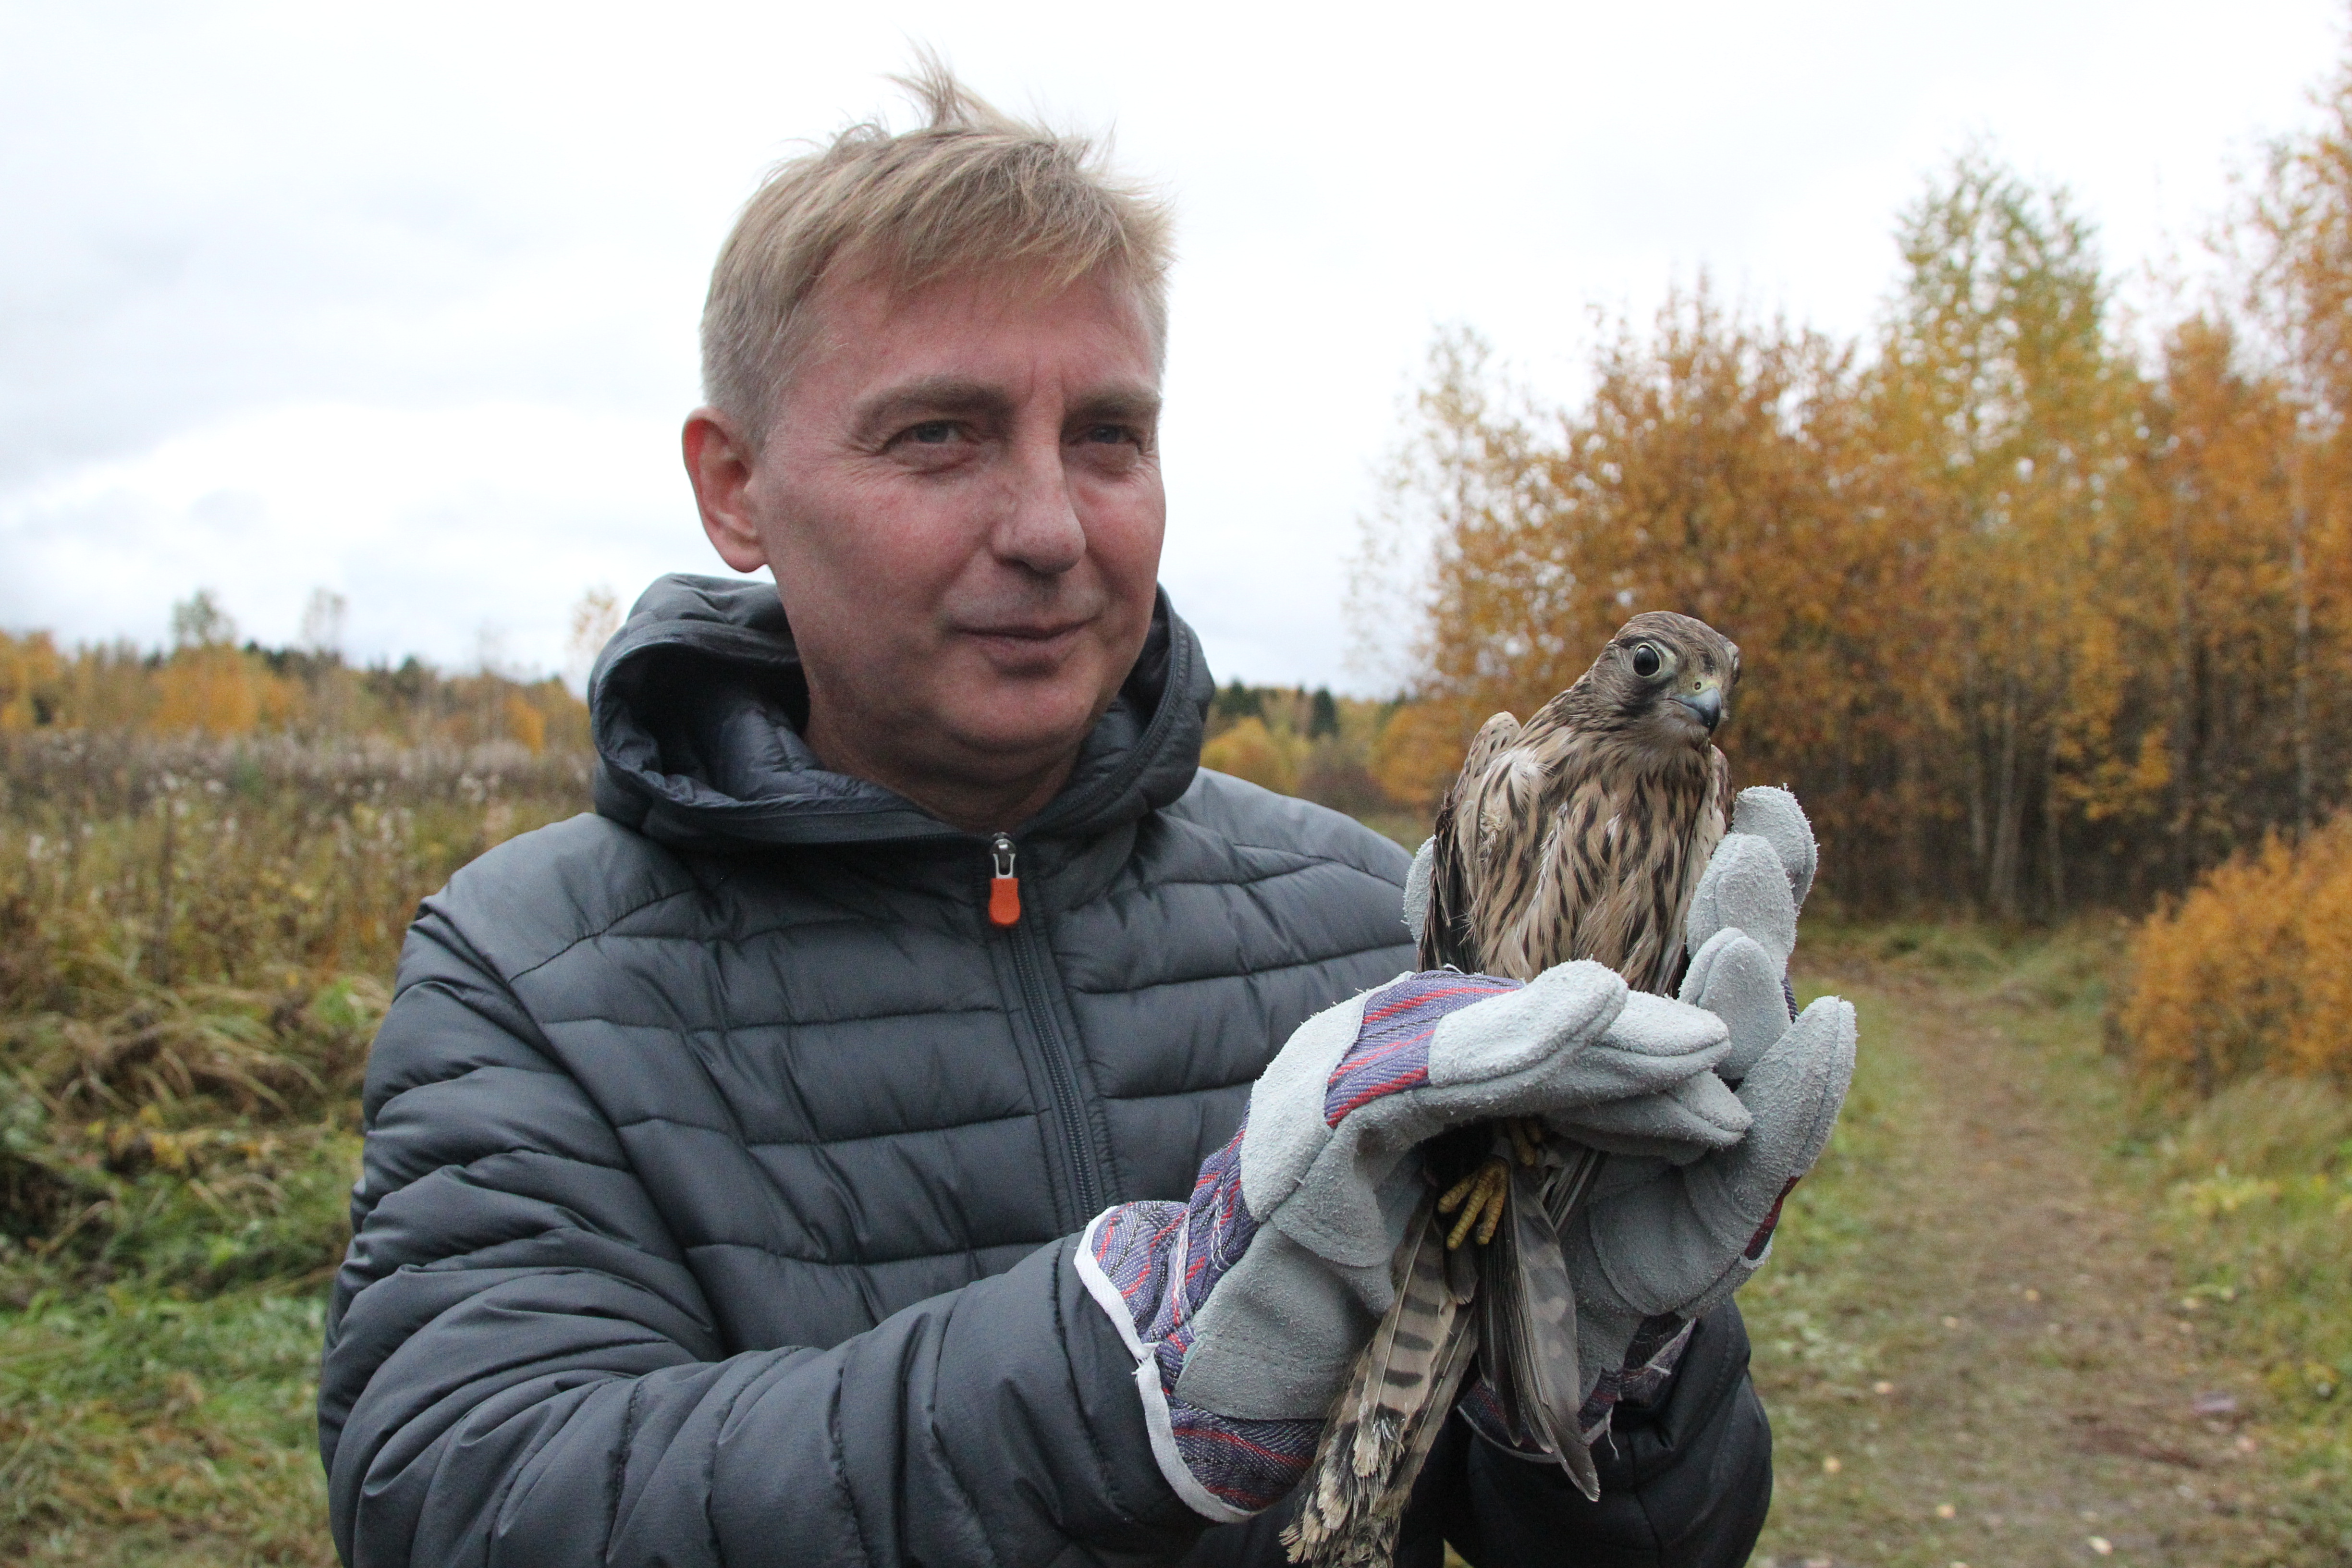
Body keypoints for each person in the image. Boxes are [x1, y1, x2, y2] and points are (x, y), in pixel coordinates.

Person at [317, 63, 1848, 1567]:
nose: (1051, 527)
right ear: (736, 488)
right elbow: (460, 1495)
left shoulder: (1358, 920)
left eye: (1108, 436)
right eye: (940, 435)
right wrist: (1119, 1377)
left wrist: (1599, 1373)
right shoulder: (527, 973)